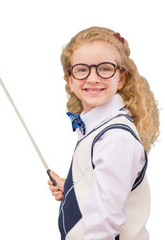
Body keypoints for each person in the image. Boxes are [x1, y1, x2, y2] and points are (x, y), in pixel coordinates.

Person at [48, 26, 160, 240]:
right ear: (70, 79)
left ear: (121, 78)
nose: (93, 78)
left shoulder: (116, 139)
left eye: (105, 68)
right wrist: (74, 187)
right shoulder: (99, 129)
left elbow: (104, 226)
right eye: (82, 69)